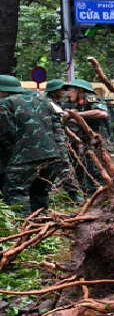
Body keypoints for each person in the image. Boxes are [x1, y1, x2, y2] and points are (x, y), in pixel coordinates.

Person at [0, 75, 62, 213]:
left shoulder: (5, 103)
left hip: (25, 157)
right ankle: (41, 224)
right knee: (39, 193)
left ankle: (23, 229)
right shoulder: (43, 101)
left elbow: (5, 134)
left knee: (15, 192)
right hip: (51, 156)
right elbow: (57, 127)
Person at [62, 79, 110, 195]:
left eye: (70, 90)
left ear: (80, 90)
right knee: (88, 166)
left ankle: (104, 191)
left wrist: (75, 115)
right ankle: (93, 193)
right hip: (88, 141)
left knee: (98, 167)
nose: (68, 93)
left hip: (98, 141)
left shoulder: (90, 97)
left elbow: (102, 112)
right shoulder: (80, 104)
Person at [42, 79, 82, 203]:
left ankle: (44, 195)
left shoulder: (56, 103)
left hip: (58, 138)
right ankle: (73, 194)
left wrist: (73, 137)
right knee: (64, 166)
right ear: (54, 91)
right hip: (54, 141)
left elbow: (62, 123)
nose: (64, 92)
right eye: (61, 89)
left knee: (50, 167)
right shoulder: (48, 103)